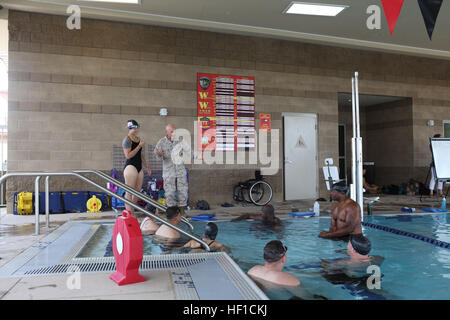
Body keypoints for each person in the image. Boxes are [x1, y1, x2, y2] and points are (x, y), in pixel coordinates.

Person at [155, 124, 188, 215]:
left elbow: (188, 151)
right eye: (172, 131)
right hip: (169, 172)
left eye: (175, 131)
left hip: (180, 171)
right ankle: (171, 211)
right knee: (169, 192)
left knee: (183, 190)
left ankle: (182, 211)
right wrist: (159, 155)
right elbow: (156, 155)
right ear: (167, 132)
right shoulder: (161, 142)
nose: (174, 133)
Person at [122, 120, 151, 214]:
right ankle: (129, 214)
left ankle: (131, 211)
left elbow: (140, 154)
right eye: (136, 127)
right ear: (132, 128)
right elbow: (128, 155)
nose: (137, 129)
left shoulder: (138, 138)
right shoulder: (127, 139)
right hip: (130, 166)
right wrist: (138, 146)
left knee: (137, 192)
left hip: (139, 166)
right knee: (129, 192)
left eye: (138, 127)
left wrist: (146, 166)